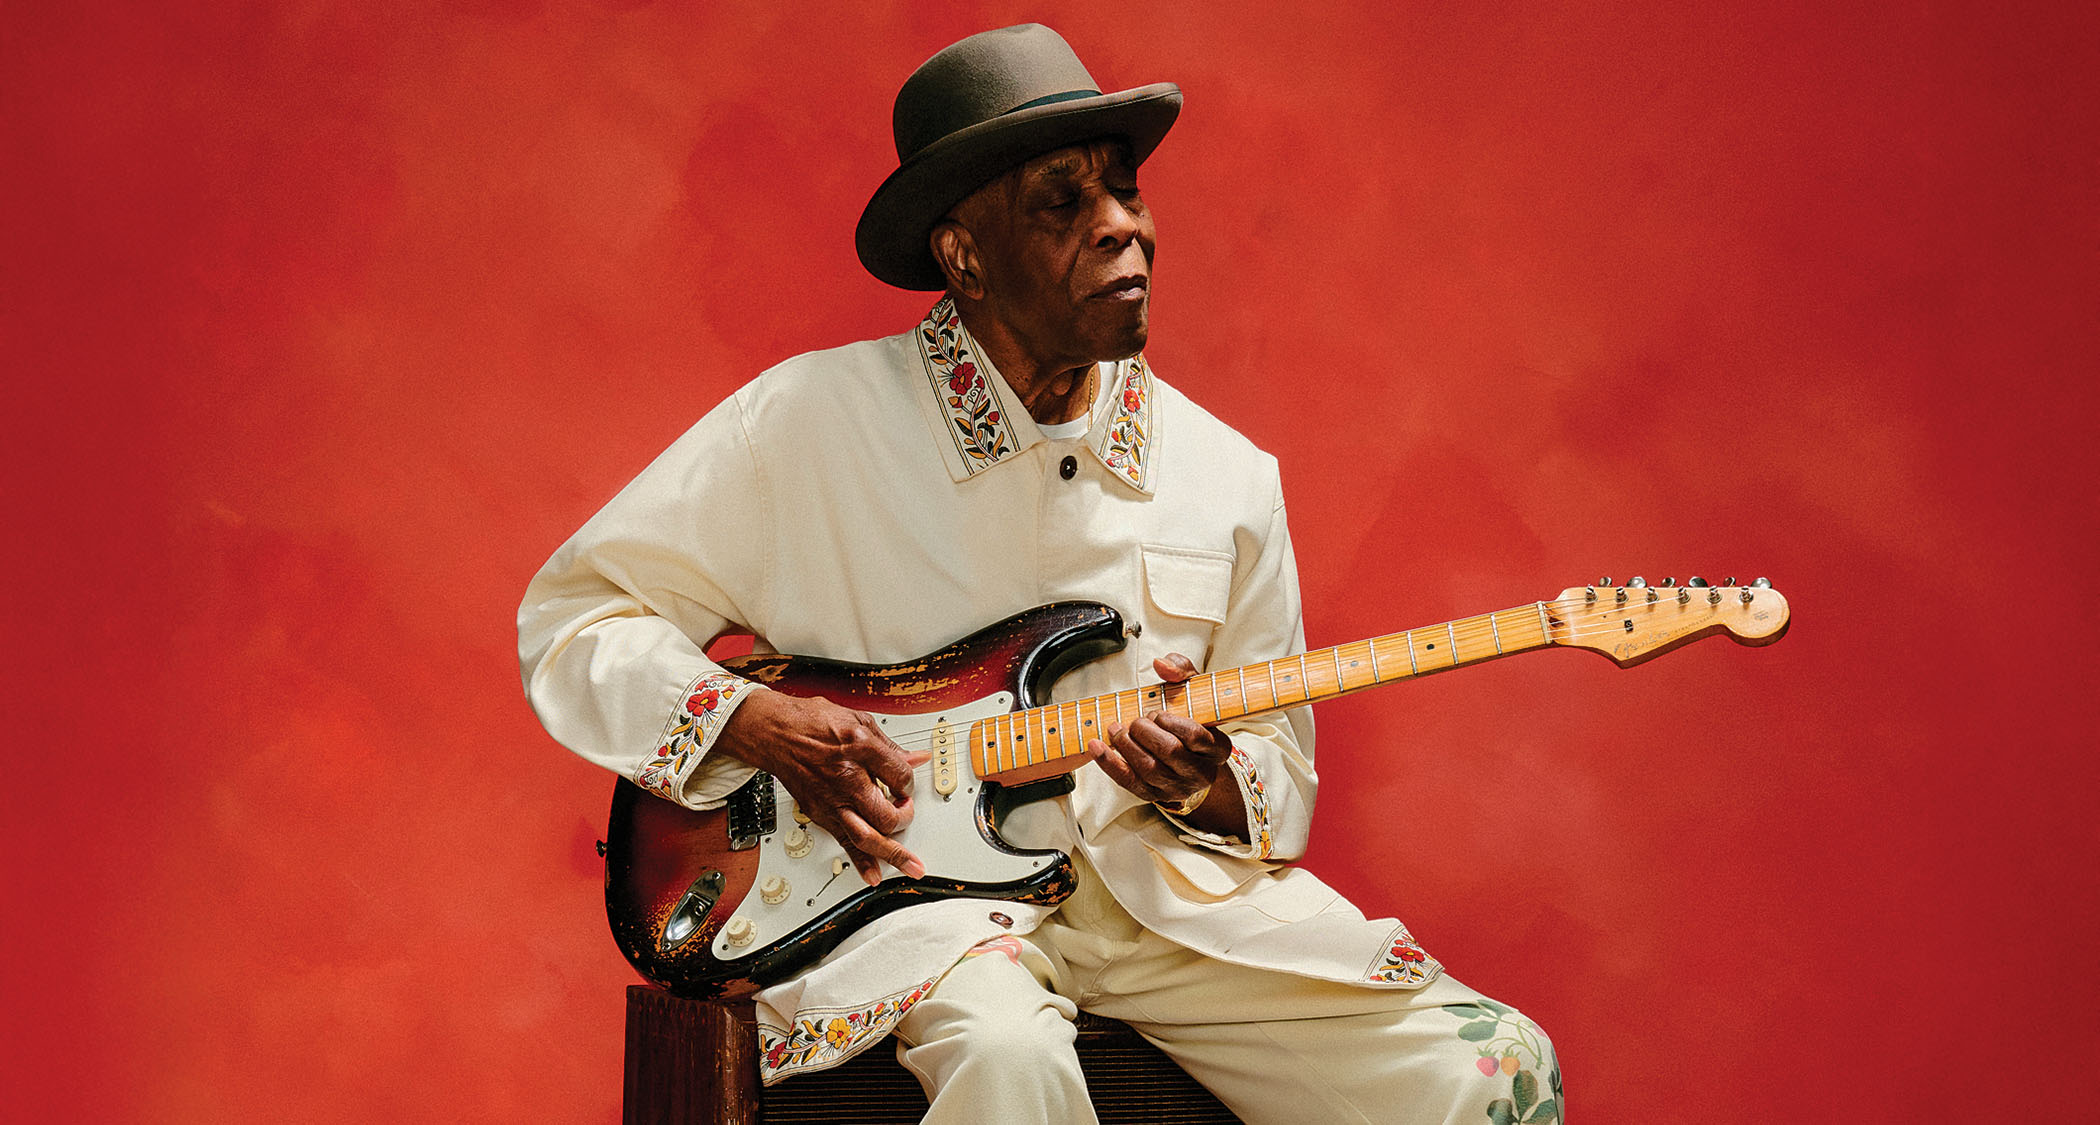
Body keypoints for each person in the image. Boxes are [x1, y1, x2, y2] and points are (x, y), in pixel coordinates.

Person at [519, 24, 1559, 1124]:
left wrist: (1200, 779)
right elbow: (575, 622)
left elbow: (1281, 779)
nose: (1124, 228)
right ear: (965, 254)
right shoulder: (805, 425)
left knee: (1495, 1070)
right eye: (1064, 204)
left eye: (1126, 192)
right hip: (910, 915)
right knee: (1010, 1058)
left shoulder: (1230, 479)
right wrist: (750, 722)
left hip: (1168, 919)